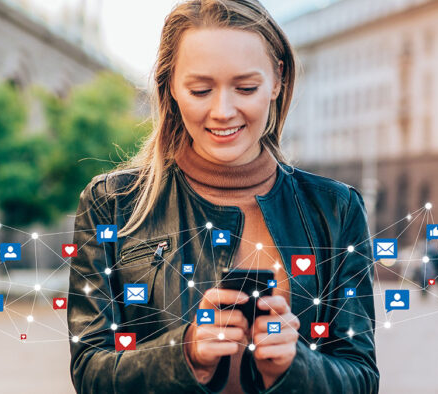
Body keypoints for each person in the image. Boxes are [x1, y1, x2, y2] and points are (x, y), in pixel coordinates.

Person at [67, 1, 379, 393]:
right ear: (171, 87)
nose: (223, 111)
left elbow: (362, 378)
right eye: (200, 89)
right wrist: (186, 353)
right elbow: (90, 372)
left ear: (278, 79)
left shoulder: (337, 209)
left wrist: (293, 364)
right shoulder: (111, 203)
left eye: (245, 88)